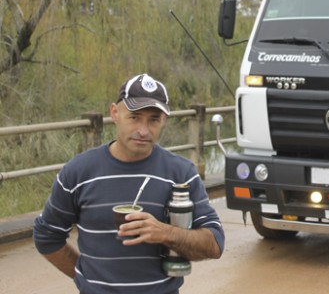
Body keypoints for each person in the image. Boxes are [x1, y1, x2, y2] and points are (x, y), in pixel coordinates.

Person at [33, 73, 225, 293]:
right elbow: (46, 235)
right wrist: (82, 277)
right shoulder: (78, 172)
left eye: (153, 119)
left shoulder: (181, 174)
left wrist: (166, 233)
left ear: (163, 120)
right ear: (115, 113)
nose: (143, 130)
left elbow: (215, 243)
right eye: (134, 117)